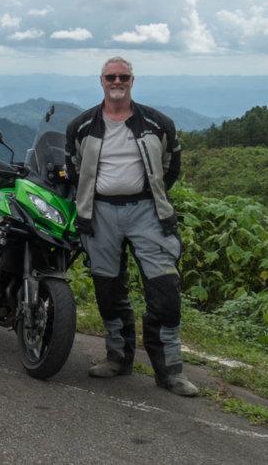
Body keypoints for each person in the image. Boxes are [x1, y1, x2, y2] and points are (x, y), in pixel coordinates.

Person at [66, 56, 198, 397]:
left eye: (123, 76)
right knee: (108, 289)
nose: (117, 82)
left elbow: (171, 167)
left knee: (165, 290)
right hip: (100, 214)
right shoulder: (81, 126)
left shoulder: (158, 123)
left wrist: (150, 195)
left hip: (147, 213)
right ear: (101, 81)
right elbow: (75, 168)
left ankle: (170, 371)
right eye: (111, 76)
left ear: (132, 81)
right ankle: (118, 358)